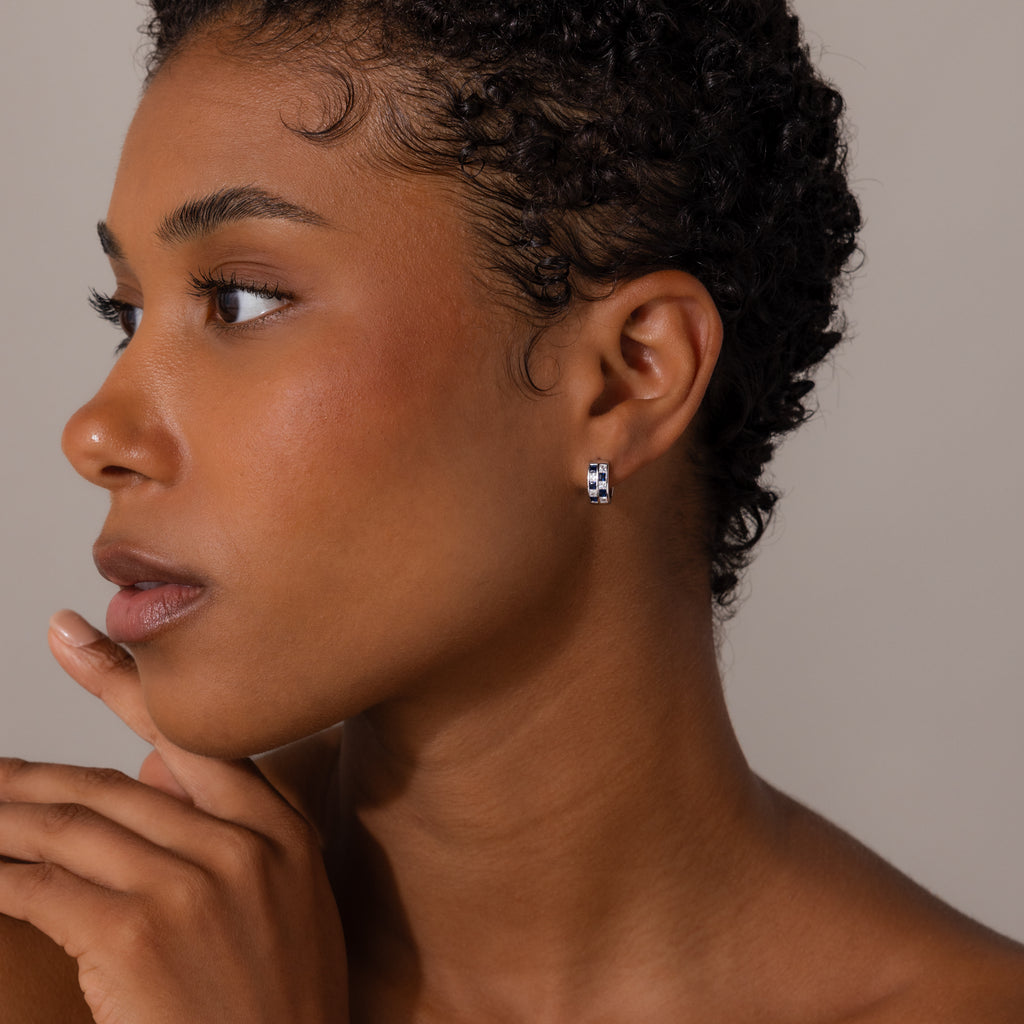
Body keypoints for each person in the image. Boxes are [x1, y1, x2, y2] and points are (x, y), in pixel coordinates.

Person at [1, 0, 1022, 1021]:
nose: (94, 433)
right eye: (125, 314)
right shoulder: (62, 969)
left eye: (240, 300)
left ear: (627, 378)